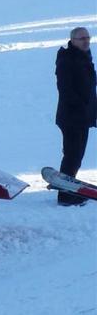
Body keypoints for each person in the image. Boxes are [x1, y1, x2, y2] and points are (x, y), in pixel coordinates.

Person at [55, 27, 96, 205]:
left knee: (76, 156)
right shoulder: (67, 59)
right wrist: (83, 109)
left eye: (88, 37)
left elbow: (88, 87)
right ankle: (65, 195)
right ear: (72, 40)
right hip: (71, 118)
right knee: (72, 156)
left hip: (83, 117)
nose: (86, 41)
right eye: (81, 38)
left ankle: (69, 189)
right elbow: (66, 90)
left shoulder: (84, 57)